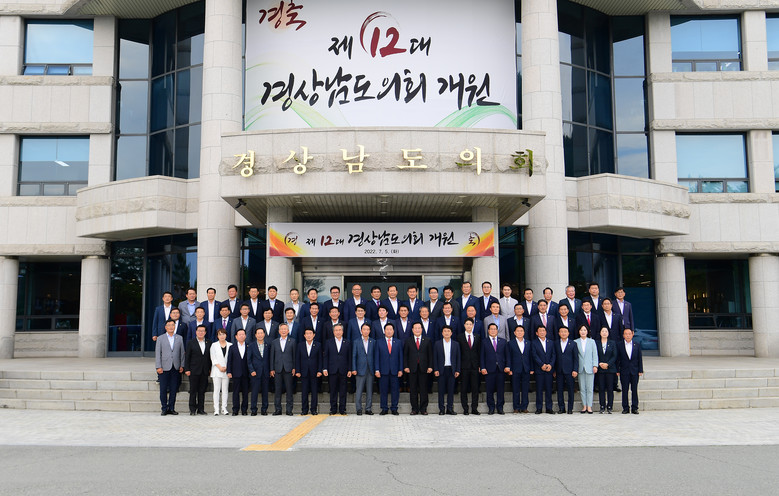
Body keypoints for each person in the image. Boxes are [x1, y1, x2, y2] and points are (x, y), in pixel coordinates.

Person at [155, 319, 185, 415]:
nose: (171, 327)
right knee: (163, 389)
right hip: (164, 367)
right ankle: (164, 408)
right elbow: (158, 354)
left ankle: (171, 408)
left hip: (175, 367)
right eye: (169, 325)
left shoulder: (179, 338)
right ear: (165, 327)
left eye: (173, 325)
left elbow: (182, 353)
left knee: (173, 389)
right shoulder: (160, 338)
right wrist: (158, 366)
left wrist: (182, 365)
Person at [404, 322, 433, 415]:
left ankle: (423, 408)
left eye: (419, 328)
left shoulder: (427, 340)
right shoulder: (408, 341)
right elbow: (405, 355)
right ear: (412, 330)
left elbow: (430, 355)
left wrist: (430, 366)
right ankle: (414, 408)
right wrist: (406, 366)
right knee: (413, 389)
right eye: (415, 328)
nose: (417, 330)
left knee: (424, 389)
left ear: (421, 329)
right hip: (412, 368)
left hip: (424, 368)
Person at [374, 322, 403, 415]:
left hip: (395, 370)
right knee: (383, 390)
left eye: (391, 329)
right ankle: (384, 408)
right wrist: (377, 369)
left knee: (395, 390)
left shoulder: (398, 342)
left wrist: (400, 369)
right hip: (383, 371)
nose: (389, 331)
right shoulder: (379, 342)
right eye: (387, 329)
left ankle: (394, 408)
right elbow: (376, 357)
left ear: (393, 331)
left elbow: (400, 357)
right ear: (384, 331)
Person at [323, 323, 351, 415]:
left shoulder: (347, 342)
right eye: (336, 330)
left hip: (343, 370)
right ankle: (333, 409)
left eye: (339, 330)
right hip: (332, 369)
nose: (338, 332)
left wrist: (349, 369)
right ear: (333, 332)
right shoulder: (328, 342)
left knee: (343, 390)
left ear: (342, 331)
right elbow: (326, 356)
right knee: (333, 390)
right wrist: (325, 368)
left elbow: (349, 357)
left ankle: (342, 409)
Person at [184, 324, 211, 415]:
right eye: (199, 331)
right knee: (193, 390)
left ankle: (201, 409)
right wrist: (187, 369)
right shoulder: (191, 342)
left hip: (204, 370)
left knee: (202, 391)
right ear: (196, 332)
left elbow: (210, 357)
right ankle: (192, 409)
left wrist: (210, 369)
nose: (200, 333)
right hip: (193, 370)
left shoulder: (209, 342)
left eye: (202, 331)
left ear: (205, 332)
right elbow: (187, 357)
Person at [480, 323, 507, 415]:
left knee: (501, 389)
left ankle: (500, 407)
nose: (493, 331)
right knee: (489, 390)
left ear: (497, 330)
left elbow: (507, 355)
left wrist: (507, 366)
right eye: (491, 329)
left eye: (495, 329)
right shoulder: (484, 342)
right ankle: (491, 407)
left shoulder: (503, 341)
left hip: (501, 369)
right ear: (488, 331)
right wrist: (483, 367)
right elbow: (482, 356)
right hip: (489, 369)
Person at [270, 322, 296, 416]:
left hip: (289, 368)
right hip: (277, 369)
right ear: (279, 331)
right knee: (277, 390)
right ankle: (278, 409)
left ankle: (289, 410)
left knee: (289, 390)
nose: (283, 331)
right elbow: (272, 356)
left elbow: (294, 356)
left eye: (285, 329)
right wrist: (272, 369)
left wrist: (294, 367)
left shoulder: (292, 341)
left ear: (288, 331)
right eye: (282, 329)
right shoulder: (274, 342)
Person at [505, 324, 533, 413]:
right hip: (515, 369)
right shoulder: (510, 343)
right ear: (514, 332)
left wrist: (531, 368)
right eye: (518, 331)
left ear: (524, 332)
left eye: (521, 331)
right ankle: (516, 407)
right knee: (515, 389)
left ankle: (524, 407)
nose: (520, 332)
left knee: (525, 389)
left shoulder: (528, 343)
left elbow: (531, 357)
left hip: (526, 368)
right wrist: (509, 368)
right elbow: (508, 356)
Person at [434, 325, 460, 415]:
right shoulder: (437, 344)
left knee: (451, 390)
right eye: (445, 331)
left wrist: (457, 370)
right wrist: (436, 369)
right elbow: (435, 358)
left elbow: (458, 358)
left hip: (451, 370)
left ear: (451, 333)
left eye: (448, 331)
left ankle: (450, 408)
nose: (446, 333)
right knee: (441, 391)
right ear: (442, 333)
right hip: (441, 370)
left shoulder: (456, 344)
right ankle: (441, 409)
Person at [295, 327, 322, 415]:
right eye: (307, 334)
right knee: (304, 391)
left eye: (310, 333)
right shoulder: (300, 345)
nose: (309, 335)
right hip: (304, 371)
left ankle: (313, 409)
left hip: (315, 372)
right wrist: (298, 371)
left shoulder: (318, 345)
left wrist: (319, 370)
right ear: (304, 335)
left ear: (314, 335)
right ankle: (304, 409)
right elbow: (297, 359)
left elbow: (320, 359)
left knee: (314, 391)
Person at [457, 318, 481, 415]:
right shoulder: (460, 337)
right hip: (464, 366)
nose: (468, 326)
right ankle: (465, 408)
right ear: (464, 325)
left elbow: (479, 352)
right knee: (464, 388)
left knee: (475, 388)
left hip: (475, 366)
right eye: (467, 324)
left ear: (473, 325)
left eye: (470, 324)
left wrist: (480, 365)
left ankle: (474, 408)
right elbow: (458, 353)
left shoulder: (477, 336)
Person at [617, 328, 643, 414]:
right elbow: (618, 359)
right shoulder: (620, 345)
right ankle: (625, 408)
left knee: (634, 390)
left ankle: (635, 407)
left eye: (629, 334)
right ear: (623, 335)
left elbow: (639, 358)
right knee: (625, 390)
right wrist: (617, 370)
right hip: (624, 371)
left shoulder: (637, 344)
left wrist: (640, 370)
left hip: (634, 370)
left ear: (632, 334)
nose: (628, 335)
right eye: (626, 334)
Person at [352, 322, 376, 415]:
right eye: (364, 329)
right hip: (359, 369)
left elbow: (375, 356)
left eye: (367, 329)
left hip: (370, 369)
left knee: (370, 390)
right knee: (359, 390)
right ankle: (358, 409)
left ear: (370, 331)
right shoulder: (356, 341)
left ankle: (368, 408)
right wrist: (354, 368)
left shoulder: (373, 341)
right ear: (361, 331)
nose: (366, 331)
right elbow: (354, 356)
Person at [554, 326, 578, 414]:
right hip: (559, 370)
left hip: (570, 370)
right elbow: (554, 357)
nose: (563, 333)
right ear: (559, 333)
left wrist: (575, 370)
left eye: (565, 332)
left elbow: (576, 358)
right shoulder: (556, 343)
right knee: (559, 390)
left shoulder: (573, 343)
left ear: (568, 333)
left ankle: (570, 408)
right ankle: (561, 408)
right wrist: (554, 370)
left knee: (571, 390)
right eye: (561, 331)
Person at [532, 325, 556, 414]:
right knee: (539, 389)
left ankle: (549, 408)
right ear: (537, 333)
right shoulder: (534, 343)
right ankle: (539, 408)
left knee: (549, 389)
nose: (542, 332)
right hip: (539, 369)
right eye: (540, 331)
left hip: (549, 370)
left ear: (546, 332)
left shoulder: (551, 342)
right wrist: (541, 364)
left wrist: (550, 365)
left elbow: (554, 355)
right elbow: (534, 355)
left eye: (543, 331)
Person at [247, 327, 271, 416]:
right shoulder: (251, 345)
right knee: (254, 392)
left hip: (265, 372)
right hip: (255, 372)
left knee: (265, 392)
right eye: (258, 333)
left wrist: (270, 370)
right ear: (255, 335)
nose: (260, 335)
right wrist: (251, 370)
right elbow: (249, 360)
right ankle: (253, 409)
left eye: (262, 333)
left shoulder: (268, 345)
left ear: (264, 334)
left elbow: (270, 359)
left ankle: (264, 409)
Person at [575, 325, 598, 414]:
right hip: (580, 367)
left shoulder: (592, 342)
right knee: (582, 388)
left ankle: (589, 406)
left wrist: (595, 365)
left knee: (590, 388)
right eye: (581, 330)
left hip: (590, 367)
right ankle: (584, 406)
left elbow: (595, 354)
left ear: (587, 331)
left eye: (584, 330)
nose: (583, 332)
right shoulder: (575, 342)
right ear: (579, 331)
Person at [226, 328, 249, 416]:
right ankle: (235, 409)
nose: (241, 336)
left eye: (243, 334)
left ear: (245, 336)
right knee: (235, 392)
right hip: (236, 373)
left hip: (246, 373)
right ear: (236, 336)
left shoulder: (249, 346)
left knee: (245, 392)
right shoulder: (232, 347)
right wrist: (229, 371)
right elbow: (229, 360)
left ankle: (244, 410)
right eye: (240, 334)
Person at [596, 326, 618, 413]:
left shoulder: (612, 343)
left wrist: (608, 364)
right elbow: (595, 354)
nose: (604, 333)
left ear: (608, 333)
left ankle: (609, 406)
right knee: (601, 388)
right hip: (600, 369)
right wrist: (599, 363)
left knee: (610, 388)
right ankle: (602, 406)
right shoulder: (597, 343)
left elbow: (615, 355)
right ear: (600, 333)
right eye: (603, 331)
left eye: (606, 331)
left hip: (610, 369)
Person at [209, 328, 231, 415]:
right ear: (217, 336)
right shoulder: (214, 345)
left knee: (225, 390)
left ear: (226, 335)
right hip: (216, 370)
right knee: (216, 390)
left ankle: (224, 408)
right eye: (220, 334)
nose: (222, 336)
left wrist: (227, 367)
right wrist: (219, 367)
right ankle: (216, 409)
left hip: (226, 370)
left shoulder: (230, 345)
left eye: (223, 334)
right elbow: (213, 358)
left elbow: (231, 358)